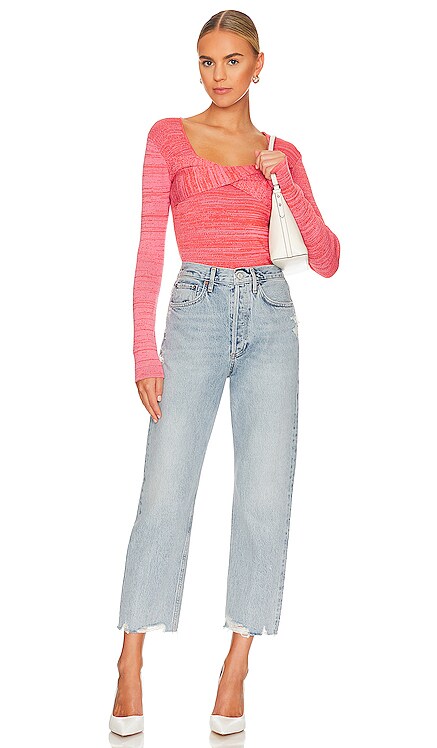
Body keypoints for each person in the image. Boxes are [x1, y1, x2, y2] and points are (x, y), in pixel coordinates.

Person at [109, 8, 340, 739]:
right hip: (196, 313)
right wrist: (143, 352)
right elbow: (149, 247)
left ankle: (236, 663)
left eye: (232, 61)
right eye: (207, 61)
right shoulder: (168, 137)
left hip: (271, 316)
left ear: (259, 65)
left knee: (264, 499)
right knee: (165, 492)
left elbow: (327, 258)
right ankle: (130, 656)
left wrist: (287, 181)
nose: (218, 75)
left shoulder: (282, 151)